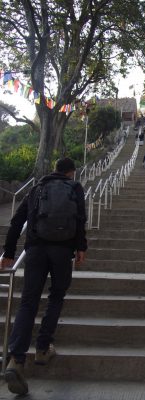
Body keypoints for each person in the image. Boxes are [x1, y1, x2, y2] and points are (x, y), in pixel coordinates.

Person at [0, 157, 87, 395]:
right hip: (63, 251)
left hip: (36, 249)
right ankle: (42, 347)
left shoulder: (38, 187)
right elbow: (80, 219)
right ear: (72, 173)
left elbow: (18, 220)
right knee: (56, 296)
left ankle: (16, 359)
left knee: (28, 302)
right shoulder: (75, 187)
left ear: (54, 170)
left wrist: (8, 252)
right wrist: (81, 248)